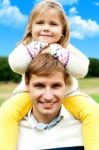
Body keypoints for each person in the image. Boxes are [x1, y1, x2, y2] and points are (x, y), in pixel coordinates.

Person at [0, 0, 99, 150]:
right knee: (7, 112)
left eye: (53, 24)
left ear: (63, 31)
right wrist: (38, 45)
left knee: (93, 111)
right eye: (40, 23)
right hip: (29, 93)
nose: (46, 28)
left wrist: (55, 50)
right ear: (31, 28)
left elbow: (82, 69)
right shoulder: (28, 45)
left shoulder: (65, 47)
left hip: (69, 94)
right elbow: (16, 64)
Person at [17, 53, 84, 150]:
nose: (48, 96)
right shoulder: (10, 130)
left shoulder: (85, 127)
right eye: (39, 86)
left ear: (66, 85)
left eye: (56, 86)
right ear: (27, 84)